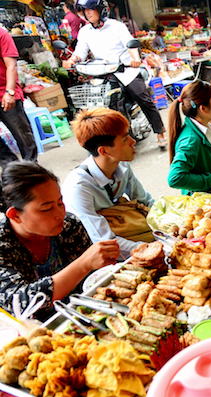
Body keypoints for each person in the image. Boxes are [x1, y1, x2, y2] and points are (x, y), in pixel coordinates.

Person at [0, 161, 120, 321]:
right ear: (15, 215)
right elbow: (22, 303)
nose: (60, 214)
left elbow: (94, 279)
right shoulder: (3, 245)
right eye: (46, 209)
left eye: (60, 202)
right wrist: (83, 264)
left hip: (86, 311)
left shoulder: (69, 226)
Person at [64, 0, 168, 149]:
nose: (87, 12)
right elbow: (80, 51)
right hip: (104, 73)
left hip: (126, 70)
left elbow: (129, 44)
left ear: (100, 9)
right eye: (84, 10)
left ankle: (159, 133)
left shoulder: (117, 26)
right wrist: (72, 59)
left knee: (143, 99)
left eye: (91, 9)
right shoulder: (84, 31)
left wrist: (136, 59)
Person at [62, 108, 155, 258]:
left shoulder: (122, 166)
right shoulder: (78, 188)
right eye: (125, 139)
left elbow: (146, 201)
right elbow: (104, 241)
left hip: (126, 234)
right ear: (104, 151)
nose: (133, 142)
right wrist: (151, 249)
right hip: (97, 254)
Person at [167, 80, 211, 195]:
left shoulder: (203, 127)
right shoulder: (191, 141)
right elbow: (175, 178)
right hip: (199, 204)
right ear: (203, 109)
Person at [0, 27, 38, 169]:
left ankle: (31, 167)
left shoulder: (2, 34)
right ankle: (12, 169)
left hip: (6, 92)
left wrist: (9, 92)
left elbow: (11, 65)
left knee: (23, 134)